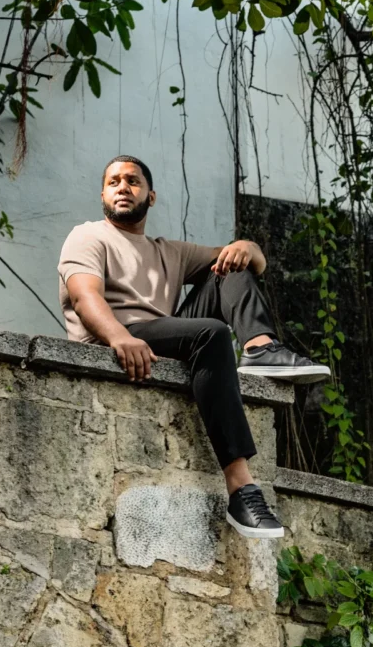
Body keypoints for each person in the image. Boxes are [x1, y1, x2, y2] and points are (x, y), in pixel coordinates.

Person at [58, 155, 330, 535]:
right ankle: (242, 489)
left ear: (150, 196)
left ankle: (259, 347)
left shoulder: (168, 251)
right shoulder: (88, 236)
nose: (123, 187)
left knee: (230, 266)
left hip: (160, 334)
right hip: (112, 337)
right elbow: (84, 297)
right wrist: (119, 336)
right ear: (103, 194)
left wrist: (246, 247)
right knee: (211, 333)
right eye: (113, 182)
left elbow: (255, 263)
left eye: (133, 181)